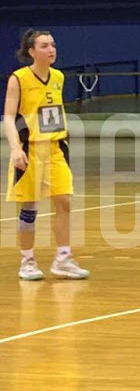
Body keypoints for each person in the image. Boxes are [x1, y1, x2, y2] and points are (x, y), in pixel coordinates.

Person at [3, 30, 87, 280]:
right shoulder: (18, 79)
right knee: (29, 207)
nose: (51, 49)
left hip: (55, 147)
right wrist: (15, 148)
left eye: (52, 45)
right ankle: (27, 261)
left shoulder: (58, 77)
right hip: (30, 149)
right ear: (31, 51)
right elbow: (9, 117)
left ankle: (63, 258)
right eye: (44, 45)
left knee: (64, 201)